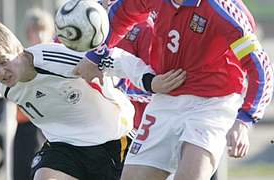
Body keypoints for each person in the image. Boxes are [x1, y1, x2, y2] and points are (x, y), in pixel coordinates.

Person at [74, 0, 274, 180]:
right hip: (165, 101)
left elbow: (260, 66)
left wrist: (244, 120)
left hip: (212, 105)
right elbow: (121, 13)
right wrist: (95, 55)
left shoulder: (222, 10)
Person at [0, 20, 185, 180]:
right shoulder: (6, 89)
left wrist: (149, 81)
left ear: (17, 49)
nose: (1, 72)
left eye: (4, 61)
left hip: (112, 141)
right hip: (65, 148)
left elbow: (111, 57)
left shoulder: (55, 58)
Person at [12, 8, 54, 180]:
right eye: (34, 31)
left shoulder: (57, 57)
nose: (39, 35)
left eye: (42, 30)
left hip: (50, 128)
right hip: (26, 128)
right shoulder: (20, 60)